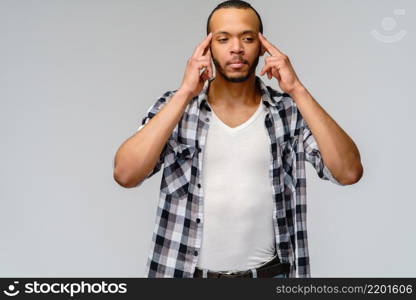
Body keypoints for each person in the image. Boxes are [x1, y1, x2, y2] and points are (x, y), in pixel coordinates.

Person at [113, 0, 363, 278]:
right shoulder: (177, 109)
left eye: (248, 38)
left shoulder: (288, 112)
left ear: (262, 46)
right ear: (208, 48)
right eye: (223, 39)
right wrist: (184, 93)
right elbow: (126, 174)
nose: (236, 48)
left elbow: (348, 172)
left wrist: (297, 89)